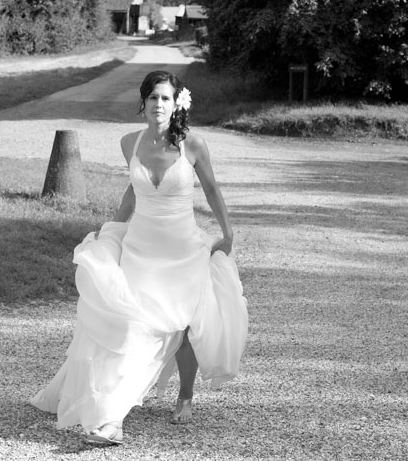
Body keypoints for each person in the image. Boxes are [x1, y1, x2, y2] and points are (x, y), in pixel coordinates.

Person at [30, 69, 248, 446]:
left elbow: (211, 189)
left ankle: (185, 395)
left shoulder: (193, 144)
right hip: (140, 248)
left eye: (165, 98)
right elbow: (133, 192)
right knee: (131, 326)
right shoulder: (128, 142)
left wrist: (228, 233)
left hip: (182, 249)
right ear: (143, 103)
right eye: (152, 98)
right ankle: (110, 417)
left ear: (176, 102)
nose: (158, 105)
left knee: (183, 329)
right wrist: (112, 230)